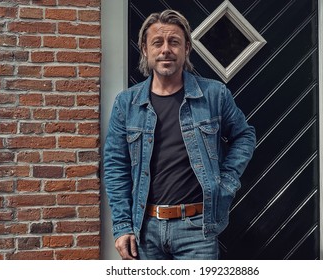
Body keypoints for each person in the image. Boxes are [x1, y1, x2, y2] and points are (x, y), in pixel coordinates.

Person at [103, 9, 256, 260]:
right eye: (157, 42)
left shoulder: (214, 95)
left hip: (197, 229)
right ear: (145, 49)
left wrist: (226, 181)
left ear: (186, 49)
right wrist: (122, 226)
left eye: (174, 42)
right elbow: (115, 166)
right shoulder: (127, 104)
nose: (166, 49)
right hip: (145, 230)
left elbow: (244, 135)